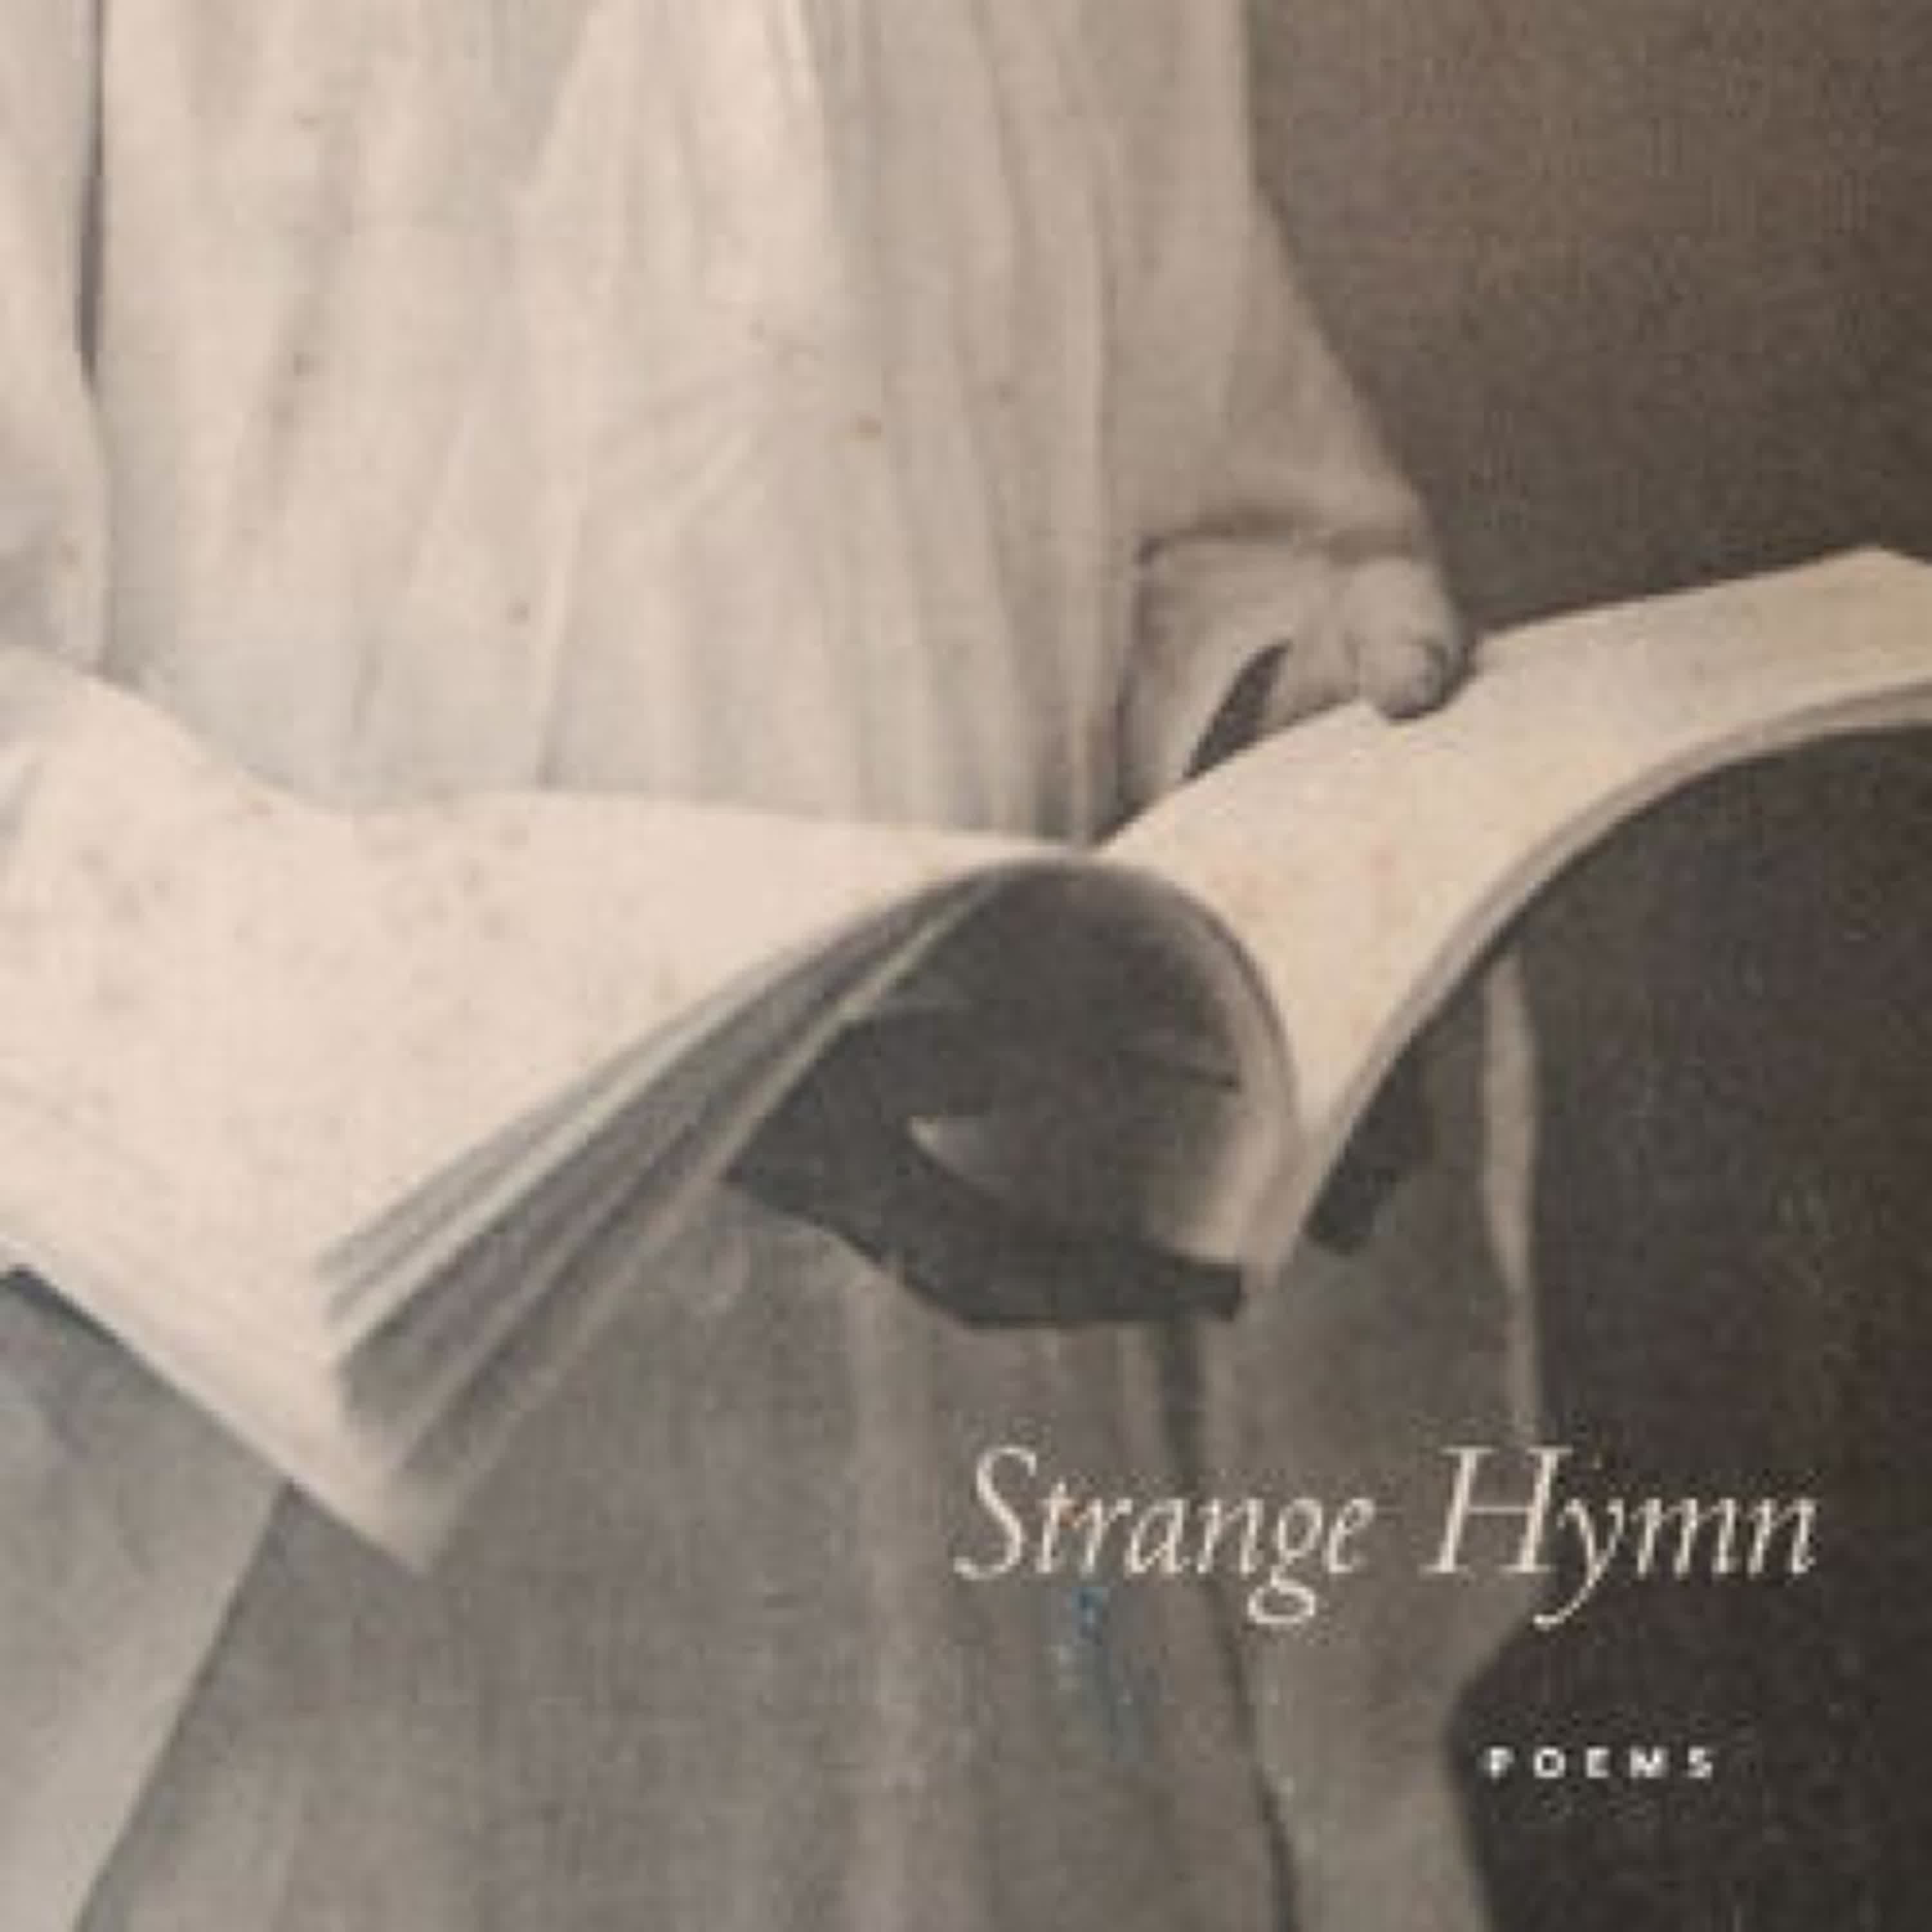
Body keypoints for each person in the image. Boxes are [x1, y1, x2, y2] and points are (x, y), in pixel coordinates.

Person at [0, 4, 1530, 1925]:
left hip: (999, 1558)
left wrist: (1271, 723)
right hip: (315, 1648)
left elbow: (1197, 501)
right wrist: (656, 1045)